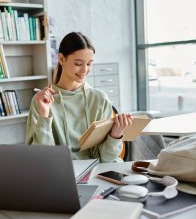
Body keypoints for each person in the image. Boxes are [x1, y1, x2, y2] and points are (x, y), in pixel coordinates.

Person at [25, 32, 133, 162]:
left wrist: (115, 134)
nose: (84, 70)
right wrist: (44, 114)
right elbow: (41, 159)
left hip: (98, 173)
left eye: (89, 64)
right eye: (78, 63)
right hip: (61, 173)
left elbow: (107, 159)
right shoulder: (41, 101)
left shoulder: (99, 98)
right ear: (61, 59)